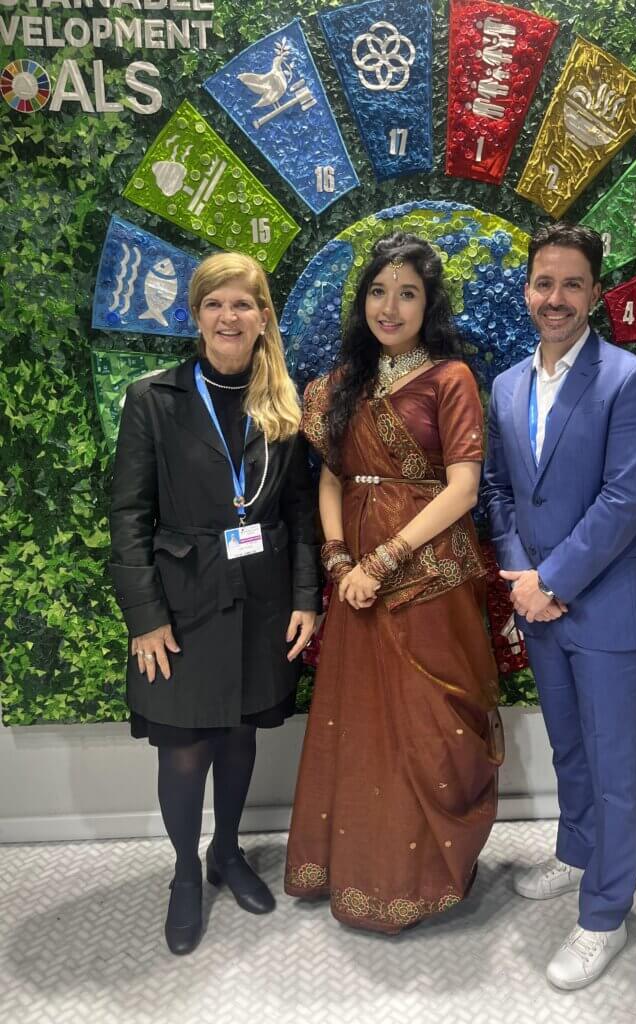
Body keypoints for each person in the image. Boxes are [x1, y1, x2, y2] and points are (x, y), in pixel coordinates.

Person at [284, 233, 504, 933]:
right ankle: (358, 873)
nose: (391, 305)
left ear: (428, 303)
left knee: (429, 728)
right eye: (379, 290)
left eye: (407, 292)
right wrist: (340, 559)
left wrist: (384, 562)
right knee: (363, 726)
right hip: (353, 581)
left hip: (426, 579)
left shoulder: (450, 379)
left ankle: (424, 877)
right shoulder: (340, 384)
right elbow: (331, 478)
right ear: (363, 301)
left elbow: (464, 488)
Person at [109, 252, 321, 955]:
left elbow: (298, 513)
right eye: (215, 304)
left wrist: (303, 598)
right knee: (183, 750)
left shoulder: (284, 407)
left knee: (238, 739)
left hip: (261, 600)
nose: (229, 317)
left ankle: (227, 852)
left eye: (244, 304)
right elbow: (128, 513)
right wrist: (144, 616)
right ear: (195, 314)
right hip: (182, 604)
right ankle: (183, 873)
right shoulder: (154, 399)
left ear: (264, 318)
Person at [483, 222, 636, 989]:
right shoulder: (505, 384)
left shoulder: (632, 378)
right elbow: (498, 492)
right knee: (569, 748)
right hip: (538, 603)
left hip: (605, 607)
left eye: (571, 284)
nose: (554, 299)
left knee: (617, 765)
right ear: (527, 290)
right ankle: (576, 852)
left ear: (595, 292)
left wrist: (550, 583)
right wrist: (524, 577)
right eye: (543, 283)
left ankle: (605, 915)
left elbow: (625, 501)